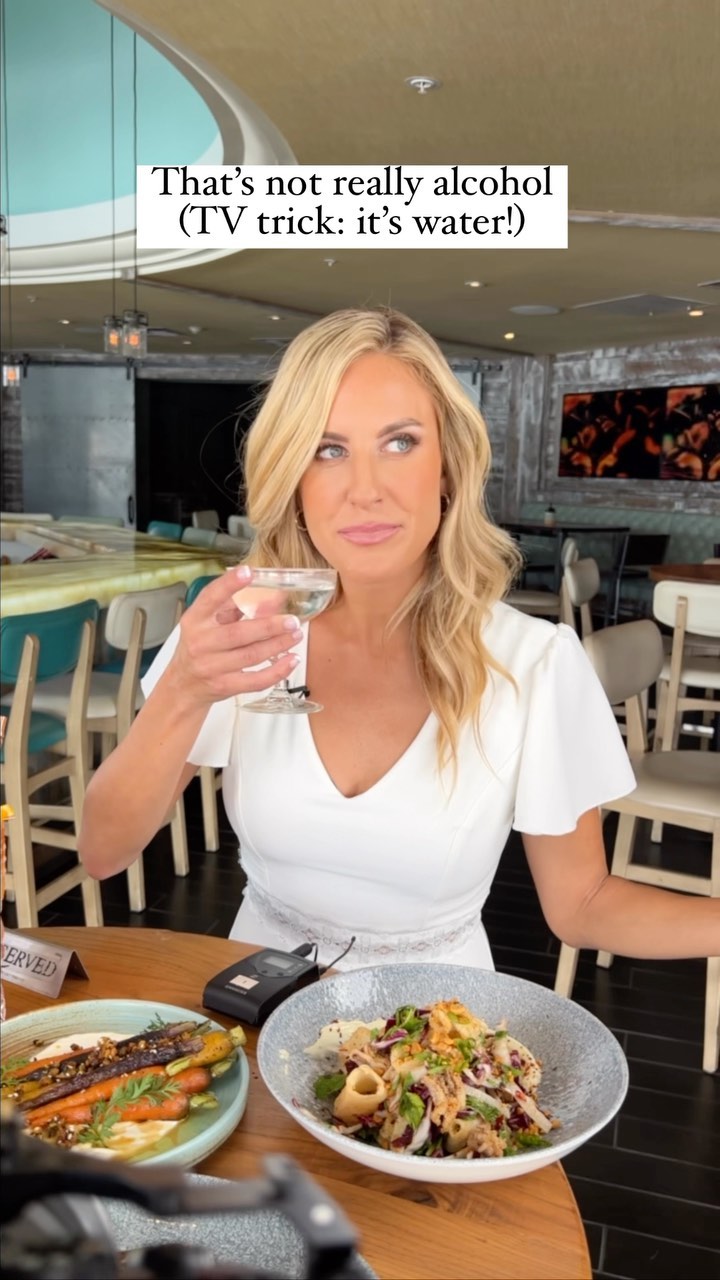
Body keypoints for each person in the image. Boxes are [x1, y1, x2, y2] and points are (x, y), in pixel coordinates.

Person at [78, 308, 719, 971]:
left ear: (447, 467)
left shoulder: (534, 663)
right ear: (294, 479)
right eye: (328, 450)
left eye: (400, 442)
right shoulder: (243, 634)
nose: (366, 491)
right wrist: (184, 688)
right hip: (257, 1007)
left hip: (434, 1024)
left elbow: (582, 904)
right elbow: (104, 851)